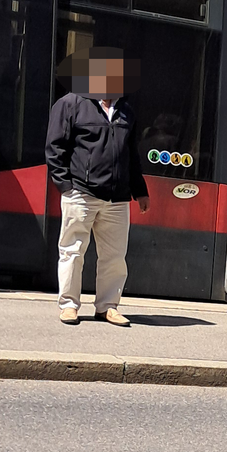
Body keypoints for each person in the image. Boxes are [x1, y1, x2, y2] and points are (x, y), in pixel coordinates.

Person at [45, 47, 150, 325]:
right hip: (81, 192)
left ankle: (107, 306)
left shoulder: (127, 111)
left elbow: (131, 155)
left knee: (115, 257)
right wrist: (65, 185)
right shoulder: (71, 103)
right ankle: (69, 305)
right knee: (72, 250)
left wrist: (139, 190)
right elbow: (55, 148)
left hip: (117, 198)